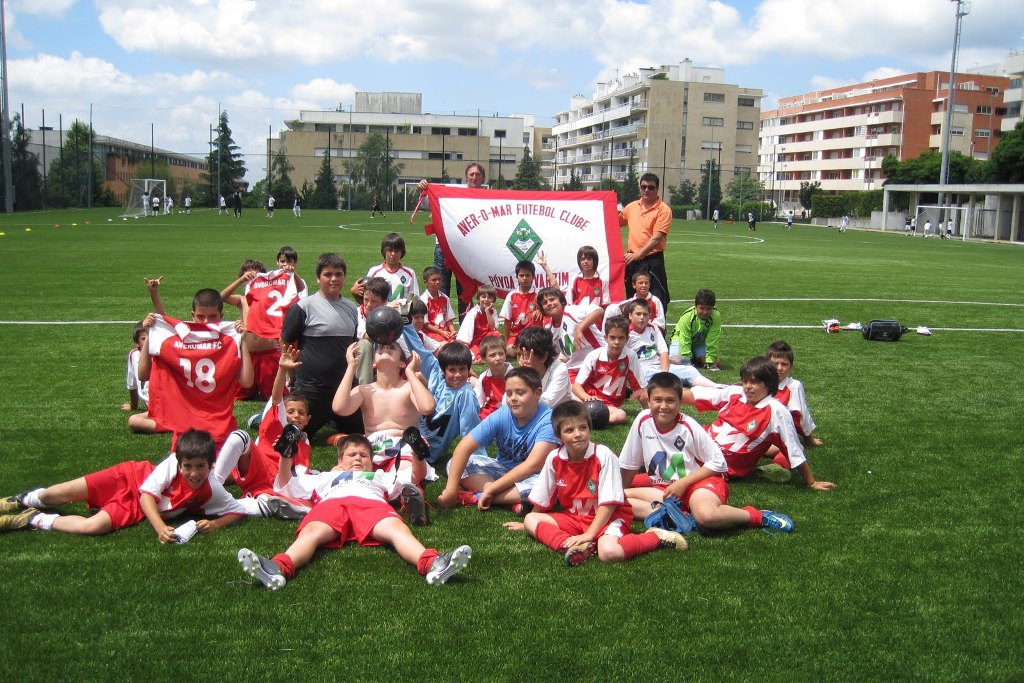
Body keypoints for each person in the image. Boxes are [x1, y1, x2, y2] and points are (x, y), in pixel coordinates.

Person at [236, 435, 472, 590]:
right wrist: (285, 457)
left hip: (370, 502)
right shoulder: (324, 477)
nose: (358, 458)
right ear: (340, 460)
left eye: (364, 455)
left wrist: (419, 457)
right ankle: (278, 569)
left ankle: (432, 564)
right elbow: (285, 484)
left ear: (372, 461)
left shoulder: (381, 476)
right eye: (352, 455)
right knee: (312, 533)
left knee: (397, 531)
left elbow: (414, 477)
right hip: (333, 504)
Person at [503, 401, 687, 566]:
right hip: (575, 518)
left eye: (582, 428)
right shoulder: (554, 458)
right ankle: (574, 546)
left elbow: (609, 504)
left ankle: (654, 537)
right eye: (569, 430)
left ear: (590, 429)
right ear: (558, 437)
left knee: (609, 553)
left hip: (609, 517)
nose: (577, 435)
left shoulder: (603, 455)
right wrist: (528, 525)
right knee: (530, 518)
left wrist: (590, 533)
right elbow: (543, 496)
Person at [619, 373, 795, 535]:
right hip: (665, 488)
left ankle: (758, 516)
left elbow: (719, 463)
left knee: (707, 516)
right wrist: (620, 490)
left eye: (670, 400)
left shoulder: (689, 427)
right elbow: (629, 464)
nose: (663, 406)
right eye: (657, 400)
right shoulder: (642, 420)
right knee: (614, 498)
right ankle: (679, 514)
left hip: (699, 483)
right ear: (648, 401)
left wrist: (683, 483)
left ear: (680, 402)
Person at [0, 429, 246, 540]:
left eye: (200, 467)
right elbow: (147, 495)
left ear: (210, 465)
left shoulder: (211, 487)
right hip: (129, 478)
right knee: (58, 493)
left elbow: (238, 510)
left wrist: (215, 524)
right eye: (188, 466)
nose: (193, 473)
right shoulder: (172, 462)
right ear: (180, 462)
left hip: (135, 505)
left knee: (93, 527)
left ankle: (32, 519)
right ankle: (22, 500)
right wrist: (160, 528)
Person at [684, 356, 836, 491]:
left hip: (720, 462)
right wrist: (662, 392)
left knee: (674, 474)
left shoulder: (776, 411)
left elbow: (793, 449)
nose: (748, 386)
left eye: (754, 382)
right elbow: (693, 396)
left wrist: (811, 482)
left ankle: (777, 465)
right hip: (701, 442)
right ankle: (775, 460)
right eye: (745, 381)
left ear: (769, 384)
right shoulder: (736, 393)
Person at [138, 288, 254, 448]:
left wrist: (243, 341)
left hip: (219, 427)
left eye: (212, 317)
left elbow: (247, 382)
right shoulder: (177, 337)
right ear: (192, 315)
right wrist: (151, 334)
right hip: (185, 428)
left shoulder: (231, 338)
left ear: (222, 316)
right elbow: (143, 374)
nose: (206, 322)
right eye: (201, 317)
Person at [332, 339, 434, 511]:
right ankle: (347, 499)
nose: (386, 347)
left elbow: (427, 407)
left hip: (402, 445)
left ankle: (412, 500)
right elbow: (340, 408)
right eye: (381, 347)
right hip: (371, 446)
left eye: (392, 347)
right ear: (373, 362)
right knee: (337, 471)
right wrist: (351, 366)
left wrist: (411, 373)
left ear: (402, 363)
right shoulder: (365, 390)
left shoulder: (408, 388)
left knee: (408, 475)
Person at [438, 367, 559, 513]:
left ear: (537, 393)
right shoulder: (504, 412)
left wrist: (491, 490)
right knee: (454, 463)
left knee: (549, 484)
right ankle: (510, 499)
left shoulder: (548, 420)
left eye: (520, 393)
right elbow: (464, 447)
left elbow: (534, 464)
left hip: (534, 475)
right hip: (503, 470)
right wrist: (451, 491)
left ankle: (482, 496)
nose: (513, 398)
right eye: (509, 393)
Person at [212, 346, 314, 511]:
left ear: (307, 420)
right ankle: (213, 488)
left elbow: (299, 476)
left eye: (301, 413)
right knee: (240, 437)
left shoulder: (305, 443)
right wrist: (282, 370)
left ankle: (248, 504)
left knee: (267, 501)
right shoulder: (278, 424)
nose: (296, 415)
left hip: (274, 484)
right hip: (257, 467)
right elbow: (276, 398)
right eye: (291, 411)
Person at [280, 253, 363, 441]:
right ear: (318, 278)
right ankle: (260, 418)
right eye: (328, 274)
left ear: (344, 277)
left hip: (344, 387)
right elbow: (285, 341)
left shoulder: (351, 308)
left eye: (339, 274)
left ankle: (334, 422)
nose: (334, 279)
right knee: (295, 438)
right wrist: (291, 375)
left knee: (360, 436)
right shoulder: (303, 307)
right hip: (312, 389)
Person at [401, 316, 481, 465]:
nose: (458, 375)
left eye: (463, 369)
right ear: (443, 370)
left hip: (427, 451)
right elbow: (418, 349)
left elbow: (470, 430)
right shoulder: (435, 372)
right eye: (452, 370)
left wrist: (478, 460)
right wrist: (406, 323)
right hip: (413, 433)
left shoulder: (465, 395)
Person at [419, 163, 487, 318]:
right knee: (441, 289)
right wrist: (423, 189)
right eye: (471, 174)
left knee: (466, 292)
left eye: (477, 174)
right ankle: (441, 326)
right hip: (444, 248)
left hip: (468, 251)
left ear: (483, 178)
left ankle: (467, 331)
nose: (474, 178)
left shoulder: (487, 197)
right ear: (466, 176)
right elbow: (427, 204)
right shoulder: (452, 192)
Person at [624, 298, 717, 389]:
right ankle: (670, 385)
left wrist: (665, 373)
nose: (642, 317)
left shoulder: (653, 328)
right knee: (650, 379)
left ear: (649, 316)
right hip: (642, 369)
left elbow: (663, 351)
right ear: (630, 315)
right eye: (638, 314)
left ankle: (718, 387)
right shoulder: (625, 332)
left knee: (690, 370)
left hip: (659, 365)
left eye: (645, 314)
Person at [572, 315, 644, 426]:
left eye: (621, 338)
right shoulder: (594, 356)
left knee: (621, 416)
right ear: (606, 338)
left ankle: (587, 418)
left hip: (609, 405)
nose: (616, 342)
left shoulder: (630, 356)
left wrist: (649, 413)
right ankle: (590, 417)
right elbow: (576, 386)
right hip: (586, 399)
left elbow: (639, 389)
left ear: (627, 339)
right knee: (569, 399)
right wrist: (587, 397)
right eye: (612, 337)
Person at [619, 172, 671, 313]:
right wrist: (608, 203)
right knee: (631, 299)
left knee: (657, 299)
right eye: (643, 187)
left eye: (651, 187)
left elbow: (656, 238)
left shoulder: (663, 210)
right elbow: (614, 221)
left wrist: (639, 254)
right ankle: (632, 332)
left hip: (652, 261)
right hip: (632, 261)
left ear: (657, 189)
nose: (646, 190)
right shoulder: (632, 207)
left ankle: (657, 331)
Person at [764, 340, 824, 458]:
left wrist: (809, 439)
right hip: (762, 435)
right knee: (794, 447)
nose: (779, 368)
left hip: (773, 436)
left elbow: (800, 416)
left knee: (793, 447)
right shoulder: (759, 383)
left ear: (791, 367)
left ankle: (774, 466)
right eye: (775, 364)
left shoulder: (793, 386)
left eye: (784, 364)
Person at [537, 286, 605, 383]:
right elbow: (559, 354)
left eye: (552, 299)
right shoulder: (551, 330)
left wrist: (580, 328)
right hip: (577, 366)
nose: (549, 304)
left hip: (599, 359)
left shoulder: (572, 311)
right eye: (545, 302)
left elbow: (599, 311)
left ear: (561, 300)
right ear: (542, 308)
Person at [514, 326, 571, 408]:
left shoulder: (559, 370)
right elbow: (506, 400)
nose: (521, 360)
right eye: (519, 354)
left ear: (544, 356)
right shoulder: (517, 374)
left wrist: (530, 377)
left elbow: (547, 402)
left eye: (527, 355)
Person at [355, 232, 418, 302]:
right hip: (379, 312)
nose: (393, 254)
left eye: (396, 251)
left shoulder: (409, 273)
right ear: (384, 251)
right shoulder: (374, 272)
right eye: (390, 250)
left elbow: (415, 299)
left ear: (402, 252)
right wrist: (354, 292)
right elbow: (365, 298)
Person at [669, 288, 721, 370]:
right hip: (680, 340)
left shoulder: (716, 316)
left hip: (699, 343)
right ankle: (690, 356)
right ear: (695, 306)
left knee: (716, 363)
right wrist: (686, 360)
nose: (705, 312)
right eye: (701, 308)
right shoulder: (687, 317)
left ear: (713, 307)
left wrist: (710, 360)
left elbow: (713, 339)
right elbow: (684, 339)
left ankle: (695, 355)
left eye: (709, 309)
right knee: (676, 362)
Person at [499, 260, 541, 356]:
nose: (525, 278)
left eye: (527, 275)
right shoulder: (511, 295)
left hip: (533, 335)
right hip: (517, 334)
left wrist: (540, 310)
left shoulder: (538, 294)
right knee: (510, 351)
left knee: (535, 349)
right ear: (517, 277)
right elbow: (507, 320)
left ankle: (527, 350)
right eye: (521, 275)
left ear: (533, 277)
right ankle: (525, 351)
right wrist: (506, 341)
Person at [456, 284, 502, 361]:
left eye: (489, 298)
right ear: (478, 298)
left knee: (497, 335)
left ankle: (488, 353)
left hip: (487, 339)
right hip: (476, 341)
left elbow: (493, 328)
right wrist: (465, 345)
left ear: (493, 300)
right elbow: (467, 332)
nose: (486, 300)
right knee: (472, 355)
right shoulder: (473, 313)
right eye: (483, 297)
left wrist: (487, 311)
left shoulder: (493, 312)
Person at [474, 336, 511, 420]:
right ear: (483, 359)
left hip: (509, 413)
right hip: (488, 415)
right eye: (492, 355)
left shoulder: (514, 375)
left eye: (501, 353)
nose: (498, 358)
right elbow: (479, 401)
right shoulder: (484, 377)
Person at [419, 266, 456, 343]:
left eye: (439, 279)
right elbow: (425, 324)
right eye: (434, 280)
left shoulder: (445, 298)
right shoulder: (423, 300)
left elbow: (449, 319)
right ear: (426, 282)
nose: (437, 282)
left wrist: (453, 331)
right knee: (447, 347)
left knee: (459, 344)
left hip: (445, 332)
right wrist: (441, 332)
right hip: (430, 334)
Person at [121, 320, 150, 416]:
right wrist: (133, 406)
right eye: (144, 338)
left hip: (165, 402)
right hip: (151, 405)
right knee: (133, 421)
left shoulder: (161, 354)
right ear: (137, 343)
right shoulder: (133, 355)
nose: (149, 340)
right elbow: (132, 385)